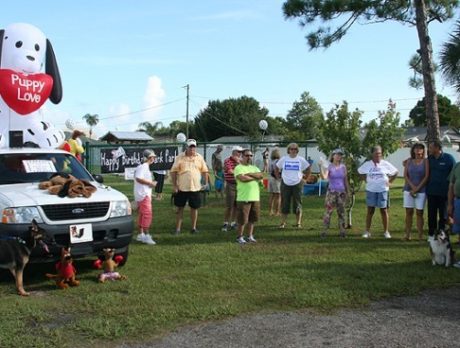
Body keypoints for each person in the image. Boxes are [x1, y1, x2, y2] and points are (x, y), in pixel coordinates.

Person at [358, 145, 398, 239]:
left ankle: (386, 232)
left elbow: (396, 172)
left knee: (384, 210)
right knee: (370, 211)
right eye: (376, 154)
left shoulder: (385, 163)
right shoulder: (368, 164)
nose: (378, 156)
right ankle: (367, 231)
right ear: (372, 154)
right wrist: (365, 179)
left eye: (380, 154)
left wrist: (390, 182)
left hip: (383, 190)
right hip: (371, 190)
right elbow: (359, 172)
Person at [170, 139, 209, 235]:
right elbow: (173, 171)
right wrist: (175, 185)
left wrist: (206, 183)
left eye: (194, 146)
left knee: (194, 208)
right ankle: (178, 229)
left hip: (195, 188)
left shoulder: (199, 157)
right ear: (186, 147)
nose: (192, 148)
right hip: (182, 187)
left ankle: (193, 228)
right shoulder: (179, 157)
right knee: (180, 208)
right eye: (190, 146)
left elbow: (205, 171)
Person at [275, 143, 311, 229]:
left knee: (298, 203)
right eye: (291, 149)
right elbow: (276, 168)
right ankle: (283, 223)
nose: (293, 150)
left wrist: (306, 178)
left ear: (297, 150)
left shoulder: (300, 159)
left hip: (297, 183)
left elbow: (308, 168)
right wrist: (278, 177)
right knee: (284, 203)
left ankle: (298, 223)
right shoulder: (284, 159)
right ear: (289, 150)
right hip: (285, 184)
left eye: (295, 149)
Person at [426, 140, 455, 239]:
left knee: (443, 216)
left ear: (437, 148)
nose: (429, 149)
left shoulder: (449, 158)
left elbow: (453, 173)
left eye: (430, 147)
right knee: (431, 215)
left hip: (444, 193)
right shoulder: (429, 159)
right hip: (431, 192)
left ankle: (442, 235)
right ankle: (431, 235)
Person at [234, 149, 264, 244]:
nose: (249, 157)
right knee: (242, 220)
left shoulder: (254, 168)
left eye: (251, 156)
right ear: (242, 157)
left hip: (255, 197)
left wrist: (250, 174)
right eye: (247, 155)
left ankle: (250, 236)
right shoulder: (238, 168)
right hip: (244, 197)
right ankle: (239, 237)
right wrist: (255, 177)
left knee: (252, 219)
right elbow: (242, 178)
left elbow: (261, 175)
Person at [320, 148, 349, 238]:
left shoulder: (343, 167)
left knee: (341, 212)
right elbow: (324, 177)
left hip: (342, 193)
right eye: (337, 155)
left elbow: (345, 180)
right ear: (333, 156)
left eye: (340, 155)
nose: (338, 156)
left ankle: (342, 231)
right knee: (328, 212)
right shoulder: (329, 166)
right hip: (331, 192)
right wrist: (320, 167)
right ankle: (324, 231)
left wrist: (348, 192)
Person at [403, 143, 429, 241]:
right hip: (408, 189)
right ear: (413, 150)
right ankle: (407, 234)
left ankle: (420, 236)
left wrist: (417, 188)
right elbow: (405, 175)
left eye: (420, 148)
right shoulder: (409, 161)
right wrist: (412, 187)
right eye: (416, 148)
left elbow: (426, 176)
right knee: (409, 212)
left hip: (421, 190)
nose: (418, 150)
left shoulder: (425, 161)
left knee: (419, 213)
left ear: (423, 151)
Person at [133, 149, 157, 245]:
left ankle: (141, 234)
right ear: (150, 158)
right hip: (143, 194)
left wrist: (149, 186)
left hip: (142, 194)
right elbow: (139, 178)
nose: (154, 159)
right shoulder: (143, 166)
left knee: (143, 214)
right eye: (153, 157)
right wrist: (151, 183)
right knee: (147, 214)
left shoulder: (143, 167)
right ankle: (146, 236)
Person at [222, 145, 243, 232]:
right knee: (229, 206)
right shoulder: (227, 160)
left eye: (241, 152)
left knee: (237, 206)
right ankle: (226, 223)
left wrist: (239, 163)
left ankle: (233, 223)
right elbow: (230, 171)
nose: (240, 154)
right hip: (231, 185)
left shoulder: (241, 161)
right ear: (234, 152)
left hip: (239, 185)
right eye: (239, 152)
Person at [447, 160, 460, 268]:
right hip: (458, 201)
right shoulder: (457, 166)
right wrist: (450, 204)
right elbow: (451, 186)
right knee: (459, 229)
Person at [268, 148, 281, 216]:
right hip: (276, 179)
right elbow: (277, 171)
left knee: (271, 195)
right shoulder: (278, 161)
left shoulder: (270, 161)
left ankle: (270, 211)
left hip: (270, 178)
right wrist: (279, 178)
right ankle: (277, 212)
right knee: (278, 196)